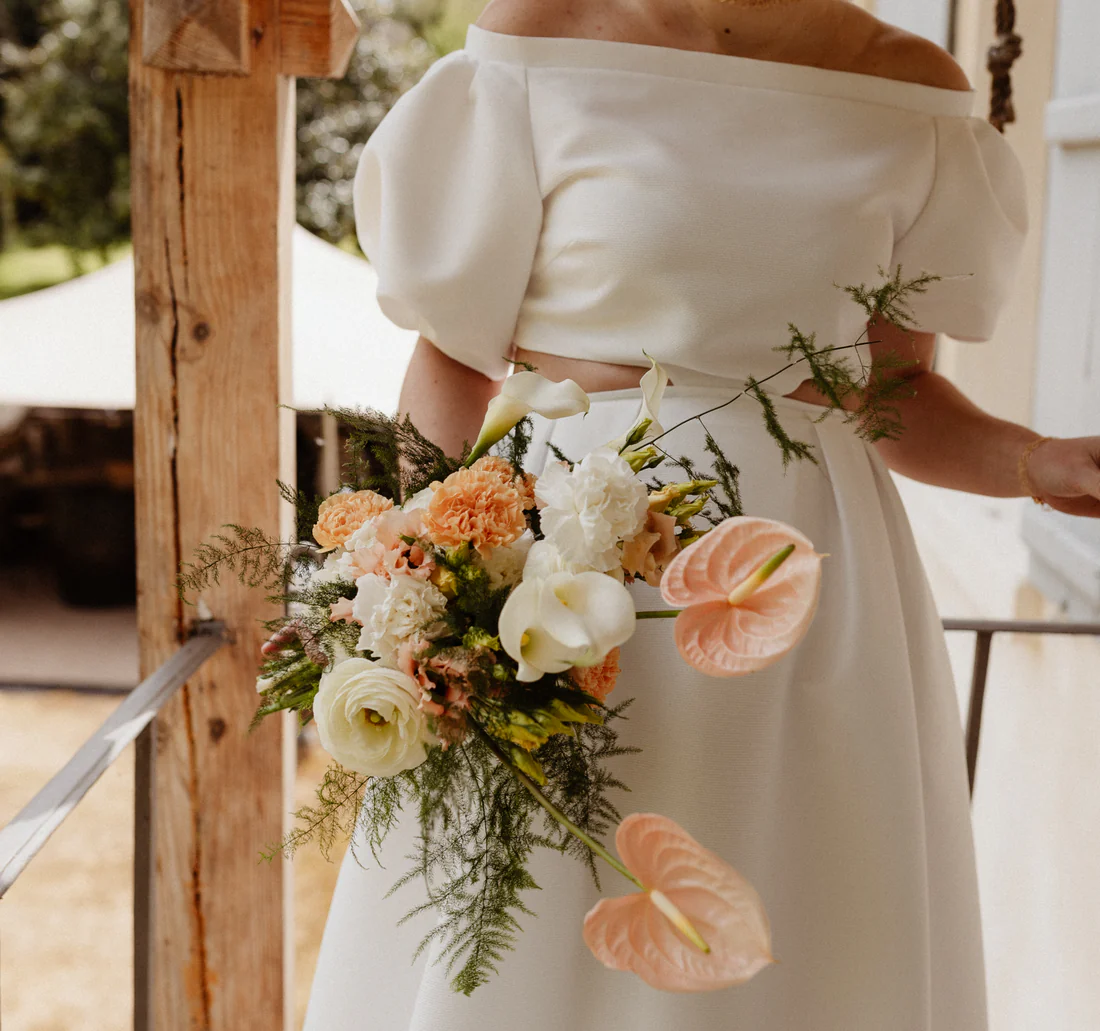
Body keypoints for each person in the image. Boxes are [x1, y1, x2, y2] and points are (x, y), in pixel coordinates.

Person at [304, 1, 1100, 1028]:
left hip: (806, 610)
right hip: (552, 592)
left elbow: (890, 394)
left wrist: (1035, 461)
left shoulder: (910, 92)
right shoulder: (533, 42)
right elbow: (454, 362)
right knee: (529, 918)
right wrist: (407, 581)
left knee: (796, 929)